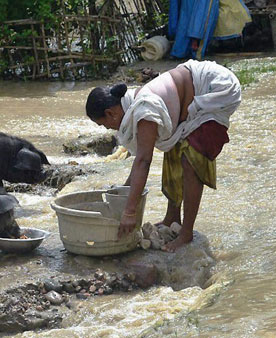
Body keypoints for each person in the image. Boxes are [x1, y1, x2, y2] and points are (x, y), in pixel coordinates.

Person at [85, 60, 241, 252]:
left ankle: (186, 232)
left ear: (111, 113)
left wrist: (130, 211)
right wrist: (123, 192)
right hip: (194, 90)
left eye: (103, 124)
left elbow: (144, 160)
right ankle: (172, 218)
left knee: (191, 160)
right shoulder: (134, 104)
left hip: (215, 89)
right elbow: (138, 161)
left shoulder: (143, 109)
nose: (107, 128)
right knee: (173, 151)